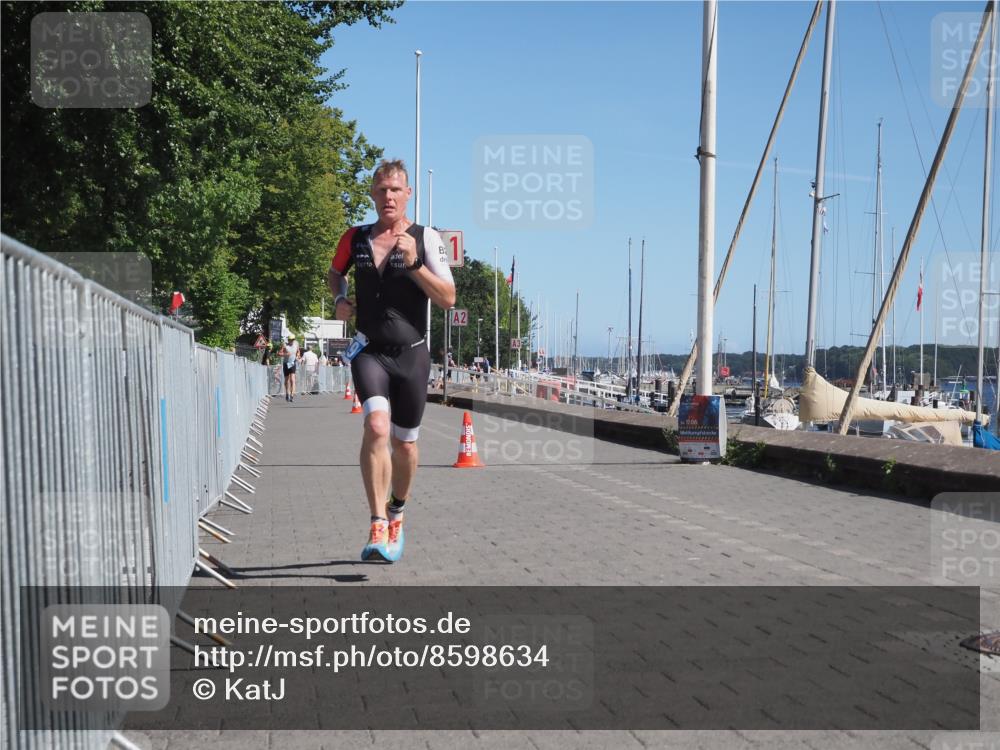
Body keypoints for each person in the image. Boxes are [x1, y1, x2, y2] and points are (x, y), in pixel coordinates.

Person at [329, 158, 456, 563]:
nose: (388, 197)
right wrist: (338, 299)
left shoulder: (426, 237)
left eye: (395, 190)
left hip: (412, 356)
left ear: (408, 195)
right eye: (381, 190)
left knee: (405, 445)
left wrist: (416, 262)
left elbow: (448, 298)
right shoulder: (355, 237)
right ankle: (377, 521)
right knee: (376, 425)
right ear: (372, 194)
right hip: (369, 350)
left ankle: (397, 511)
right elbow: (335, 273)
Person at [279, 334, 299, 401]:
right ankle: (287, 393)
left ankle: (292, 395)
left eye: (293, 340)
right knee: (286, 380)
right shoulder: (285, 346)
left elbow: (298, 352)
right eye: (290, 340)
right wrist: (285, 354)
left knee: (292, 380)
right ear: (288, 340)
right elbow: (279, 353)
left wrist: (298, 356)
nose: (291, 341)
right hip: (286, 363)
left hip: (292, 363)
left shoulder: (296, 344)